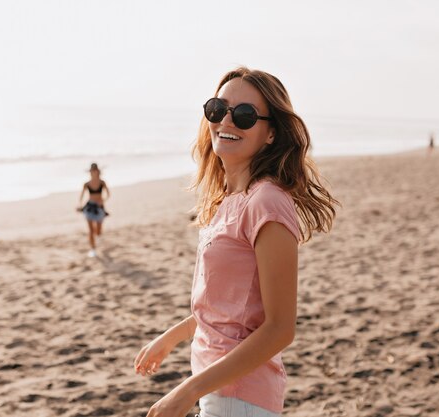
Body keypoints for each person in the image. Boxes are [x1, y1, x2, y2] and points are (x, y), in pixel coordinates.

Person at [133, 67, 339, 417]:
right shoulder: (229, 200)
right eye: (218, 109)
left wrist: (187, 392)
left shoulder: (267, 202)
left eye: (244, 115)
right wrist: (172, 337)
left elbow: (279, 329)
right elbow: (228, 309)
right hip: (222, 396)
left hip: (240, 401)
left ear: (271, 133)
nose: (226, 121)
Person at [77, 163, 110, 258]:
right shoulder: (86, 184)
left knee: (98, 230)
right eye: (92, 171)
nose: (93, 172)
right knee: (91, 230)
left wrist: (103, 200)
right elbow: (81, 196)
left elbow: (108, 194)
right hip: (89, 207)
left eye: (95, 170)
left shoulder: (102, 183)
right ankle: (93, 249)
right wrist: (80, 205)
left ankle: (99, 237)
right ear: (90, 172)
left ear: (98, 171)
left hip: (99, 208)